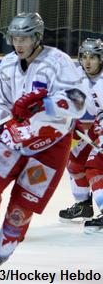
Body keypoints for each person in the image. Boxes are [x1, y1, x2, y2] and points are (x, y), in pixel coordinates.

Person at [0, 12, 87, 271]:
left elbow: (78, 102)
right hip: (14, 136)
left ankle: (2, 250)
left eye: (25, 38)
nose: (18, 43)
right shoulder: (7, 64)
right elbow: (2, 106)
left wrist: (45, 104)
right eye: (15, 37)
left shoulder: (58, 61)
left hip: (50, 145)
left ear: (37, 37)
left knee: (22, 206)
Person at [58, 38, 103, 233]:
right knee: (75, 157)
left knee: (94, 166)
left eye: (92, 57)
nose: (87, 61)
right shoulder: (76, 75)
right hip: (97, 122)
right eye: (84, 56)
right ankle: (84, 205)